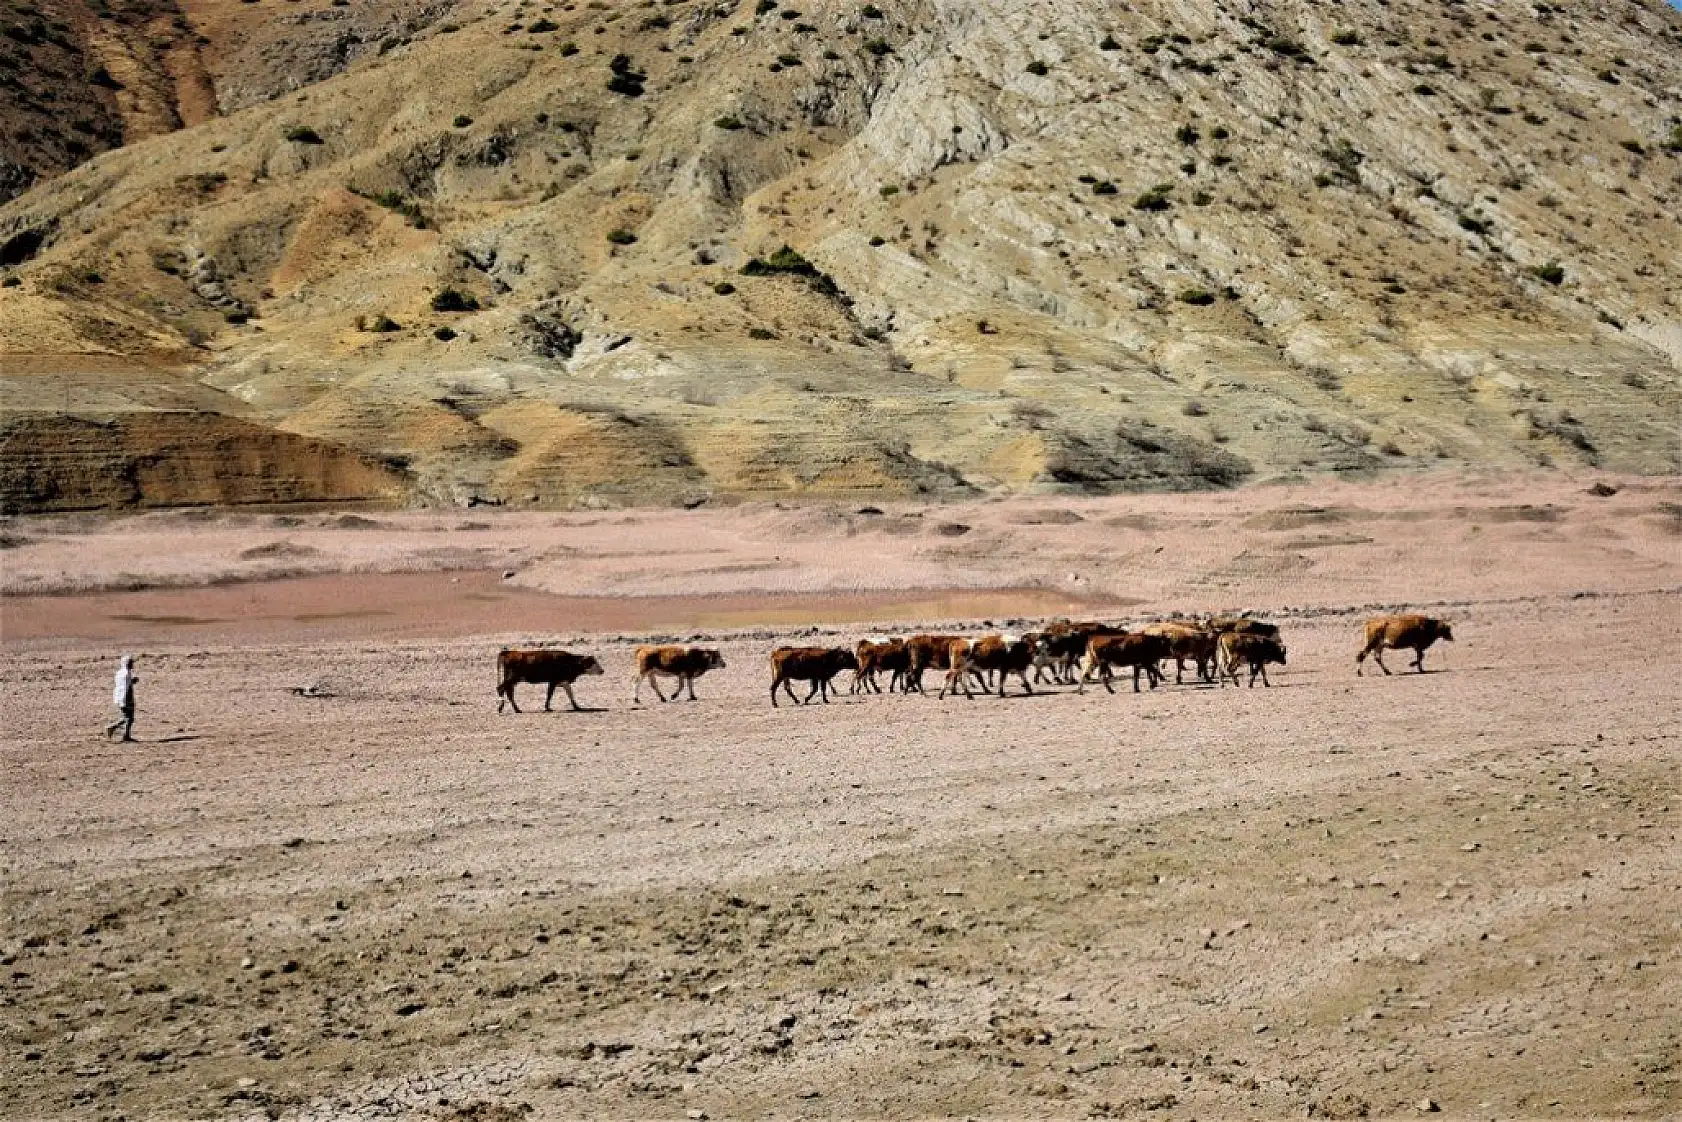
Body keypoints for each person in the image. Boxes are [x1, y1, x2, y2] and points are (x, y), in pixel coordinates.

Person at [105, 654, 138, 742]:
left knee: (128, 718)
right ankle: (112, 727)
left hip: (121, 697)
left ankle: (126, 735)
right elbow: (125, 687)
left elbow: (123, 685)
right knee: (128, 718)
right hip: (126, 698)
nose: (132, 664)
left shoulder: (120, 673)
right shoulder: (126, 674)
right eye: (130, 663)